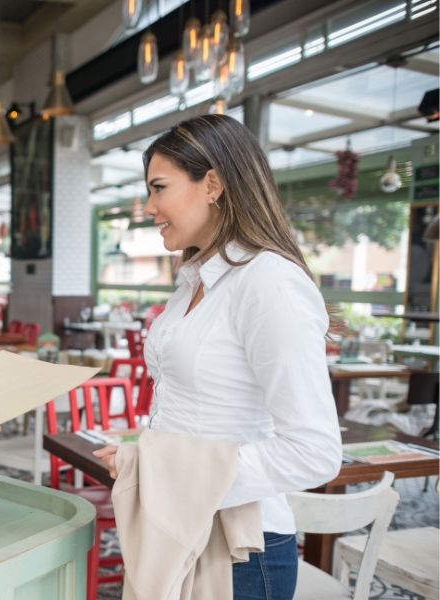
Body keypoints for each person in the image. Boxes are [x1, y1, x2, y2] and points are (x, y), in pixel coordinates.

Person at [93, 115, 342, 600]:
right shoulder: (192, 283)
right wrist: (150, 463)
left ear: (213, 184)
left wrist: (162, 474)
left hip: (239, 548)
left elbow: (315, 451)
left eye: (159, 188)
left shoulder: (269, 282)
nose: (149, 207)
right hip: (182, 527)